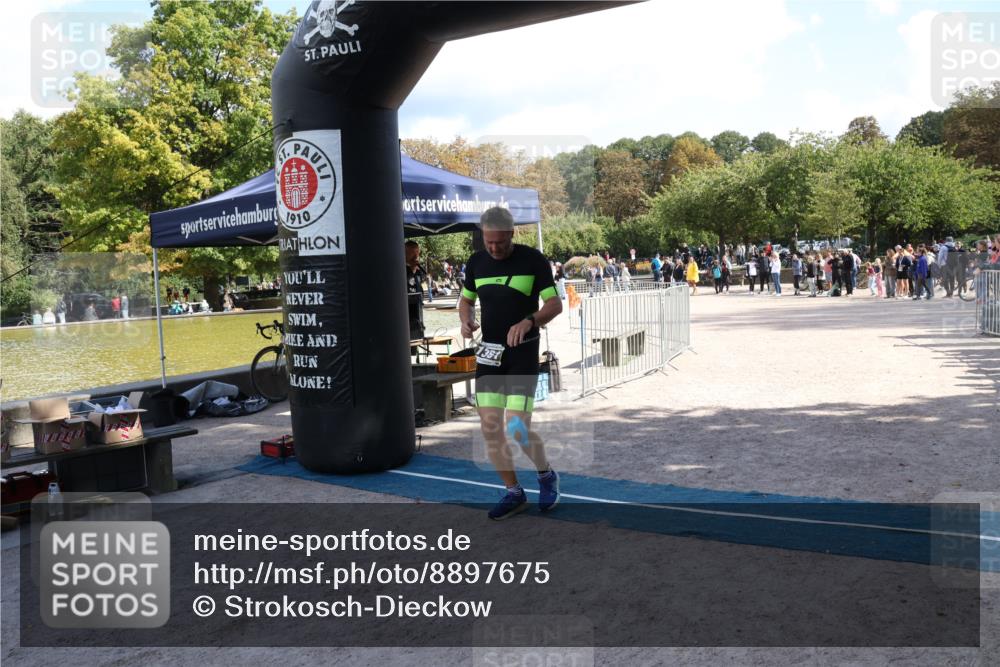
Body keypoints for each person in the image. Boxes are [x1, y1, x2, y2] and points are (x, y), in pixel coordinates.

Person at [459, 207, 562, 521]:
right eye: (488, 242)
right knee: (490, 428)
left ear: (511, 234)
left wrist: (529, 320)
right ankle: (514, 492)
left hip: (522, 353)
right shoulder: (476, 262)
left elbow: (554, 304)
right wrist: (466, 320)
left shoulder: (533, 260)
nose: (494, 248)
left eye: (500, 243)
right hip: (489, 354)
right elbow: (466, 300)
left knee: (517, 427)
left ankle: (546, 474)